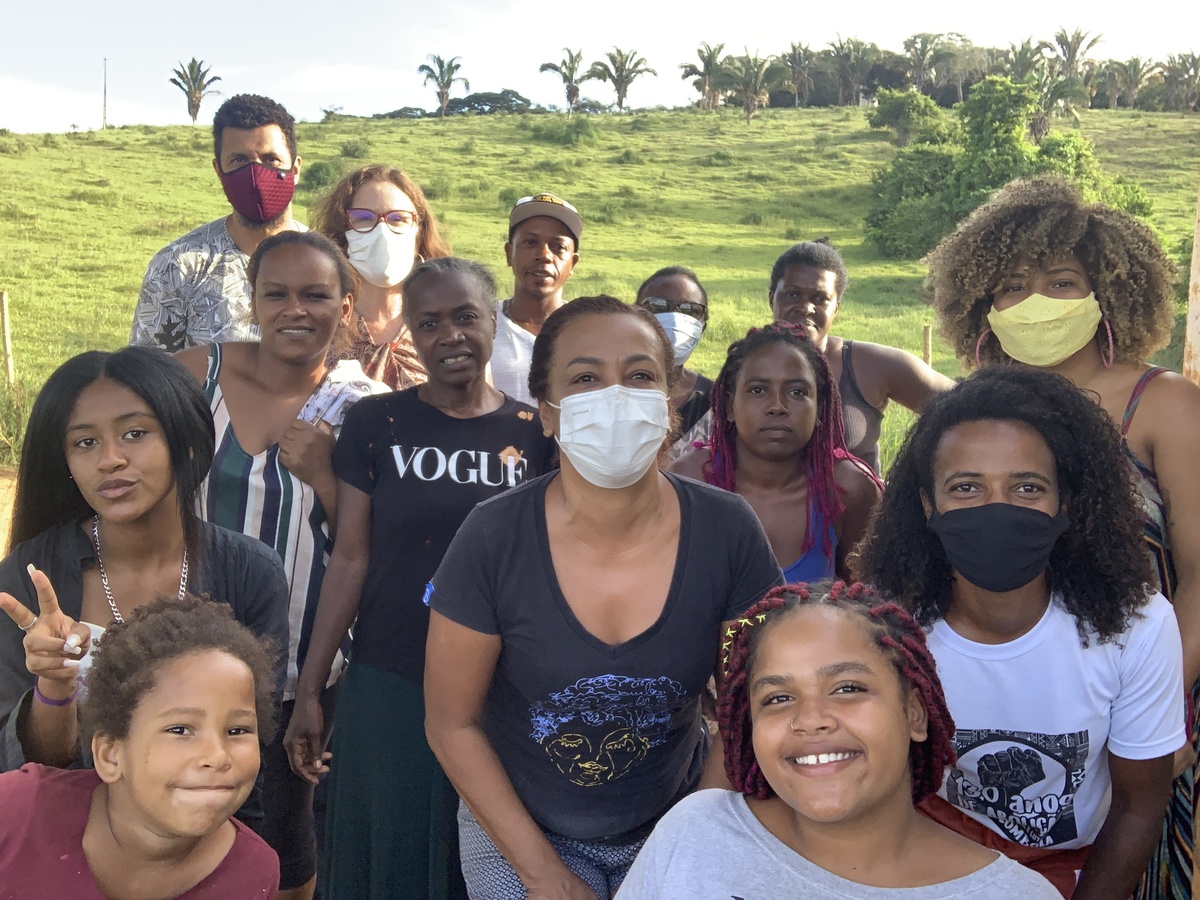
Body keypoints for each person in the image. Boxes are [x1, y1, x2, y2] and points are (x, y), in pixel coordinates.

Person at [424, 295, 785, 899]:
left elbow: (749, 706)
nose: (615, 396)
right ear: (546, 413)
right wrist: (544, 876)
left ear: (670, 401)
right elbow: (451, 722)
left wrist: (688, 845)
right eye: (586, 379)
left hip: (678, 814)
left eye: (639, 376)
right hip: (520, 829)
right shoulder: (493, 537)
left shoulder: (728, 531)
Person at [925, 175, 1200, 899]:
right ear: (982, 305)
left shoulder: (1164, 405)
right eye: (1012, 286)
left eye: (1061, 282)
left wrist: (1153, 707)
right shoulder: (973, 417)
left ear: (1107, 292)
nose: (1035, 302)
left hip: (1150, 697)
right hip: (1004, 712)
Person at [855, 367, 1186, 899]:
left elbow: (1138, 804)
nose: (998, 509)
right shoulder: (886, 623)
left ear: (1065, 504)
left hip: (1070, 873)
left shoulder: (1136, 625)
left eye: (1027, 487)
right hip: (920, 861)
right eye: (966, 487)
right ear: (927, 504)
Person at [284, 258, 556, 900]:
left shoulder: (534, 435)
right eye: (429, 323)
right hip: (390, 677)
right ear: (411, 331)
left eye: (465, 317)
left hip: (500, 689)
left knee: (481, 862)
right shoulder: (376, 423)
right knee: (390, 852)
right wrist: (311, 689)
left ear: (492, 323)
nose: (450, 336)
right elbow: (351, 558)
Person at [616, 580, 1060, 898]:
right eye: (778, 698)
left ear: (914, 713)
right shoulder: (696, 832)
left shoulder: (1015, 894)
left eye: (848, 688)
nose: (810, 720)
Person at [175, 231, 386, 900]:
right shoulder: (195, 375)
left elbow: (371, 546)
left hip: (301, 663)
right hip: (183, 648)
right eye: (277, 294)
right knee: (179, 816)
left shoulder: (364, 407)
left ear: (346, 306)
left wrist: (324, 476)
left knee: (283, 837)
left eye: (316, 295)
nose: (295, 310)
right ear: (254, 300)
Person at [0, 347, 289, 830]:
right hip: (63, 839)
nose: (110, 460)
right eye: (85, 443)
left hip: (203, 836)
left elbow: (249, 747)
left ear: (186, 443)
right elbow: (30, 768)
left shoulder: (250, 573)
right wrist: (55, 686)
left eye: (135, 434)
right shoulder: (31, 577)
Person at [0, 596, 281, 898]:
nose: (217, 756)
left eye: (237, 731)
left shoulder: (254, 873)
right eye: (180, 730)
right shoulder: (15, 811)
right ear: (109, 755)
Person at [671, 322, 880, 581]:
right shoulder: (689, 482)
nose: (777, 406)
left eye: (797, 392)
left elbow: (863, 591)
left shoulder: (847, 489)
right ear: (729, 406)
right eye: (757, 390)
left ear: (820, 408)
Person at [131, 94, 305, 352]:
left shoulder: (328, 262)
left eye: (271, 159)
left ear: (295, 169)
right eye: (239, 160)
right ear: (218, 171)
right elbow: (147, 370)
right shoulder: (178, 265)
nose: (256, 174)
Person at [768, 239, 953, 473]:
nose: (806, 308)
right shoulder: (744, 369)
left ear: (836, 308)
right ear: (772, 298)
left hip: (858, 499)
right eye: (793, 294)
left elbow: (967, 406)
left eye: (820, 299)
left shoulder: (871, 366)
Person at [310, 164, 452, 389]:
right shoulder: (318, 321)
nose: (382, 231)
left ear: (418, 235)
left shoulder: (449, 321)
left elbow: (479, 403)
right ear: (341, 235)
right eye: (364, 218)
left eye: (398, 219)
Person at [490, 193, 581, 406]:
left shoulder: (587, 330)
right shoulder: (482, 325)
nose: (544, 255)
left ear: (573, 263)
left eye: (558, 247)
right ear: (509, 253)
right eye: (530, 242)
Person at [633, 266, 713, 459]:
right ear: (634, 315)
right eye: (658, 306)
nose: (676, 320)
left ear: (702, 327)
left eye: (691, 310)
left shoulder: (715, 401)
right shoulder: (609, 391)